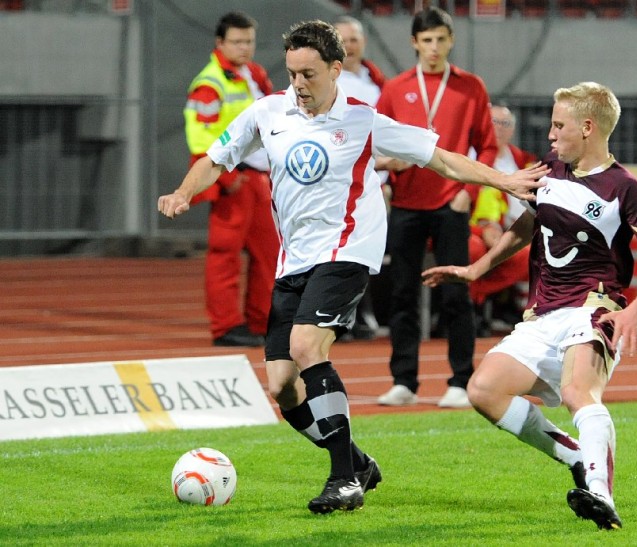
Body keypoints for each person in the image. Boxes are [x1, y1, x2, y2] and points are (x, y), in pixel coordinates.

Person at [158, 20, 546, 515]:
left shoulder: (364, 119)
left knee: (306, 346)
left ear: (336, 69)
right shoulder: (267, 111)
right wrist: (183, 192)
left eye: (309, 74)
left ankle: (344, 479)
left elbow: (443, 160)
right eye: (293, 73)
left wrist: (503, 181)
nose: (299, 84)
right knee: (282, 385)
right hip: (293, 260)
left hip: (346, 250)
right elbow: (216, 157)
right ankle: (358, 461)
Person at [421, 82, 637, 530]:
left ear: (588, 127)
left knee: (578, 393)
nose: (550, 134)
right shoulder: (548, 171)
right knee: (483, 391)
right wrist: (476, 269)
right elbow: (528, 224)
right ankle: (577, 457)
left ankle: (600, 492)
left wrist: (633, 313)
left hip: (593, 307)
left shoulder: (623, 187)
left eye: (559, 125)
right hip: (542, 314)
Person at [375, 6, 497, 409]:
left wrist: (470, 192)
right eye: (426, 40)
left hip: (451, 202)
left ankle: (461, 381)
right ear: (414, 43)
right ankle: (404, 381)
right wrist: (388, 169)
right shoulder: (395, 88)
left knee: (455, 293)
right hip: (407, 202)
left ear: (451, 41)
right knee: (402, 293)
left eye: (440, 39)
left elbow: (488, 145)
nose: (433, 48)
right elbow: (377, 143)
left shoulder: (471, 87)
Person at [184, 11, 279, 347]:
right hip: (235, 181)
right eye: (237, 42)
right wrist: (227, 179)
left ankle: (261, 321)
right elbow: (200, 137)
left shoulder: (254, 74)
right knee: (224, 255)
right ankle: (225, 326)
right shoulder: (210, 84)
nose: (244, 47)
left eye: (249, 41)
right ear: (220, 43)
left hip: (259, 178)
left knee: (270, 254)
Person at [332, 15, 386, 340]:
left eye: (354, 40)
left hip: (376, 180)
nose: (350, 47)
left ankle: (361, 311)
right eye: (343, 40)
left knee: (368, 247)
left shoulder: (375, 81)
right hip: (341, 181)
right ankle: (340, 314)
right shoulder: (329, 82)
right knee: (340, 248)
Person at [470, 105, 538, 336]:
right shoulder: (469, 155)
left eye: (505, 123)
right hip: (473, 227)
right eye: (494, 122)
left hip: (515, 227)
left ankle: (487, 299)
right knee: (474, 248)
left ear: (513, 130)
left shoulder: (523, 160)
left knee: (530, 252)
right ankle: (474, 306)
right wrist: (486, 227)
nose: (498, 128)